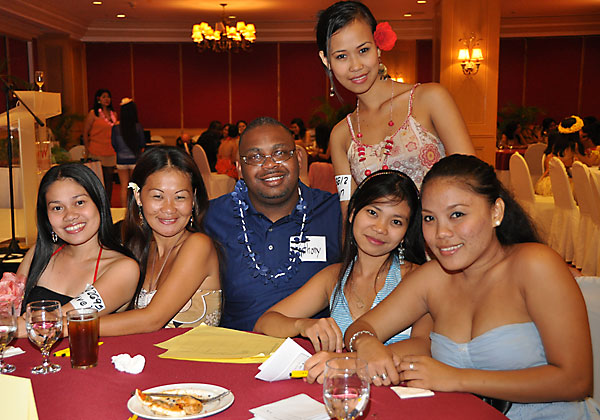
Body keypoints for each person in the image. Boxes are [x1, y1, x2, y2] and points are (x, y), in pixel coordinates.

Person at [345, 154, 599, 419]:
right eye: (430, 219)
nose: (441, 233)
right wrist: (366, 343)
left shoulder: (534, 265)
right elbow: (361, 327)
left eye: (457, 215)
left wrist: (457, 378)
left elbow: (575, 381)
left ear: (496, 212)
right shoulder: (433, 278)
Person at [254, 170, 431, 384]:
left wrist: (348, 362)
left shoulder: (418, 277)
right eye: (373, 213)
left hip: (403, 391)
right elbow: (265, 323)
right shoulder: (333, 277)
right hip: (345, 391)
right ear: (353, 213)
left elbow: (423, 345)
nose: (380, 228)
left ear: (405, 233)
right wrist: (302, 325)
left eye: (396, 222)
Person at [316, 1, 474, 218]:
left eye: (363, 50)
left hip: (444, 234)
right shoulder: (342, 135)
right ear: (326, 60)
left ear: (378, 46)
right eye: (341, 56)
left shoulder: (429, 99)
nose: (356, 66)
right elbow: (349, 212)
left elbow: (471, 180)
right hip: (380, 240)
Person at [204, 117, 342, 331]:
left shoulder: (335, 212)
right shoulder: (212, 216)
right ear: (239, 168)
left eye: (280, 153)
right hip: (233, 345)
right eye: (255, 157)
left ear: (298, 159)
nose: (269, 164)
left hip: (311, 347)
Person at [97, 147, 221, 335]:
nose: (169, 209)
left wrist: (73, 325)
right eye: (158, 196)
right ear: (138, 197)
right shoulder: (136, 247)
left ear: (193, 199)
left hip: (192, 354)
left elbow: (152, 319)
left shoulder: (198, 245)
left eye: (180, 197)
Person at [16, 163, 139, 329]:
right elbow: (9, 308)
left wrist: (16, 325)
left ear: (99, 203)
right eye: (57, 208)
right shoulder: (38, 254)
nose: (70, 215)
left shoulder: (123, 269)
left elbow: (58, 321)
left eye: (80, 202)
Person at [83, 88, 118, 201]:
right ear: (98, 99)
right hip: (96, 150)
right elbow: (85, 132)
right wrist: (87, 149)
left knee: (109, 180)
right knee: (98, 180)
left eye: (108, 97)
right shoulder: (93, 114)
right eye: (104, 97)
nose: (106, 99)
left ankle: (108, 203)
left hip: (110, 151)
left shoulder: (113, 114)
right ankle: (98, 203)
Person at [111, 98, 146, 207]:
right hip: (135, 160)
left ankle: (124, 210)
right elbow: (142, 143)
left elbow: (114, 144)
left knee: (123, 186)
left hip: (121, 160)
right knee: (135, 186)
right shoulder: (137, 126)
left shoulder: (116, 127)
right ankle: (135, 209)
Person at [535, 117, 579, 196]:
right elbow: (570, 164)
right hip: (562, 185)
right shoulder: (573, 147)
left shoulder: (555, 148)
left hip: (548, 182)